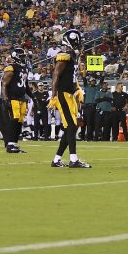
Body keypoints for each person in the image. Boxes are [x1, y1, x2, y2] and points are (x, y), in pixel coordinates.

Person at [49, 29, 89, 168]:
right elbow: (55, 75)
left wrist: (77, 89)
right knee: (71, 126)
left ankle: (56, 160)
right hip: (63, 94)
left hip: (69, 94)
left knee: (69, 128)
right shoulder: (64, 56)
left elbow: (72, 78)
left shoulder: (72, 56)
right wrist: (53, 95)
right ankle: (73, 159)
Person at [1, 48, 30, 153]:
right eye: (21, 56)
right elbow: (4, 84)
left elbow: (26, 86)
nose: (23, 58)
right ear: (16, 56)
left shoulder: (24, 69)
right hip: (13, 98)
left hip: (22, 99)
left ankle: (15, 143)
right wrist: (5, 99)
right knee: (14, 120)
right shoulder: (11, 68)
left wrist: (33, 98)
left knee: (19, 121)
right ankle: (9, 144)